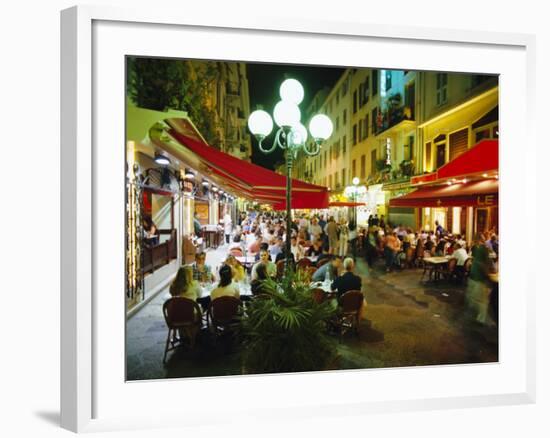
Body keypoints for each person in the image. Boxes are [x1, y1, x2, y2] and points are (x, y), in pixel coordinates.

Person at [466, 234, 493, 325]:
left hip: (476, 276)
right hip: (477, 276)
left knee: (480, 299)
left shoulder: (479, 249)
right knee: (479, 299)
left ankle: (481, 318)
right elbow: (484, 262)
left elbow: (481, 263)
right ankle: (480, 317)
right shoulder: (480, 249)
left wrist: (486, 274)